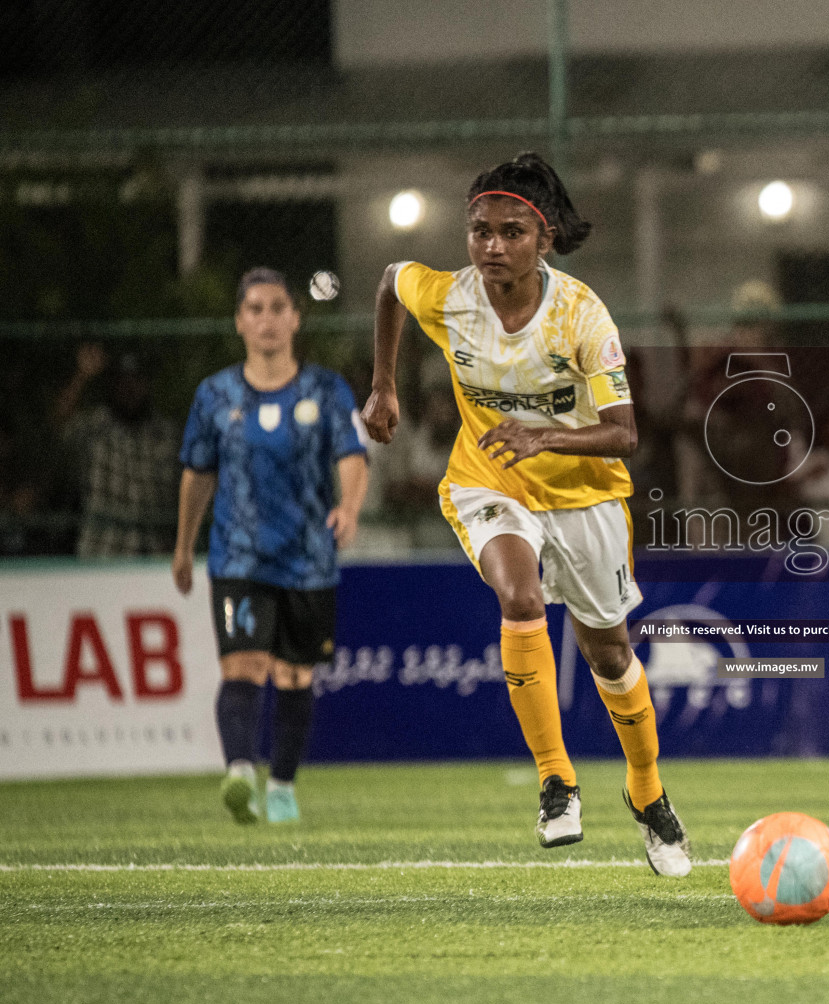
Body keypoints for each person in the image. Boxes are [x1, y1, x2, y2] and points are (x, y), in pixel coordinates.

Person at [361, 152, 691, 876]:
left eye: (511, 232)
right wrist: (383, 385)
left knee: (609, 652)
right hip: (489, 480)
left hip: (585, 495)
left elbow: (627, 433)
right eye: (479, 230)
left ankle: (648, 792)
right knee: (517, 594)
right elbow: (389, 282)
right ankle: (556, 781)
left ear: (543, 238)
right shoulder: (449, 296)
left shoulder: (581, 315)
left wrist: (542, 435)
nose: (491, 246)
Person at [173, 268, 369, 825]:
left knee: (294, 676)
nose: (266, 318)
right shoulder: (215, 395)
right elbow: (197, 474)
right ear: (239, 321)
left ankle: (281, 785)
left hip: (309, 558)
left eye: (277, 307)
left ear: (295, 318)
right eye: (255, 308)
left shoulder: (326, 390)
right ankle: (239, 770)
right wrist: (184, 546)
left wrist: (349, 508)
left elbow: (352, 455)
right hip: (239, 557)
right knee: (243, 664)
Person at [54, 344, 181, 557]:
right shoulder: (95, 426)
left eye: (137, 381)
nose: (130, 389)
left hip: (154, 556)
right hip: (102, 551)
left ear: (147, 385)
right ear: (112, 386)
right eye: (123, 382)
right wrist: (82, 376)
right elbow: (58, 421)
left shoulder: (167, 434)